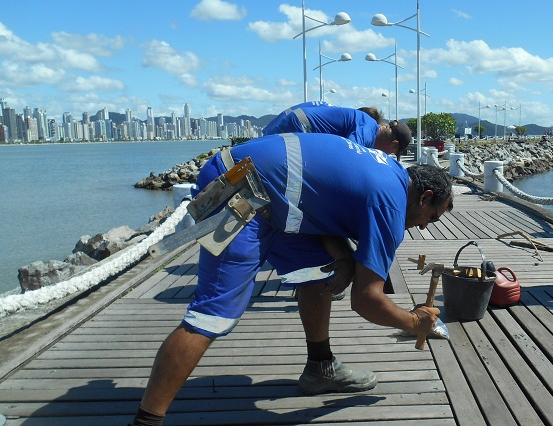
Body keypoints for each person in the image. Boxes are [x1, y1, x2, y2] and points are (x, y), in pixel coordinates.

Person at [130, 132, 453, 425]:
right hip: (241, 191)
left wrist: (343, 257)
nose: (425, 227)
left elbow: (325, 204)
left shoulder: (390, 174)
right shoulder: (390, 204)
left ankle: (320, 367)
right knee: (213, 314)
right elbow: (367, 299)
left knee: (317, 272)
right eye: (431, 217)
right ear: (424, 197)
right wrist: (414, 323)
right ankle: (146, 422)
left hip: (267, 196)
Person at [263, 101, 411, 159]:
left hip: (295, 120)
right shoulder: (367, 132)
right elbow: (348, 157)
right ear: (393, 144)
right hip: (300, 128)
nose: (386, 155)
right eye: (392, 153)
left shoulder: (366, 123)